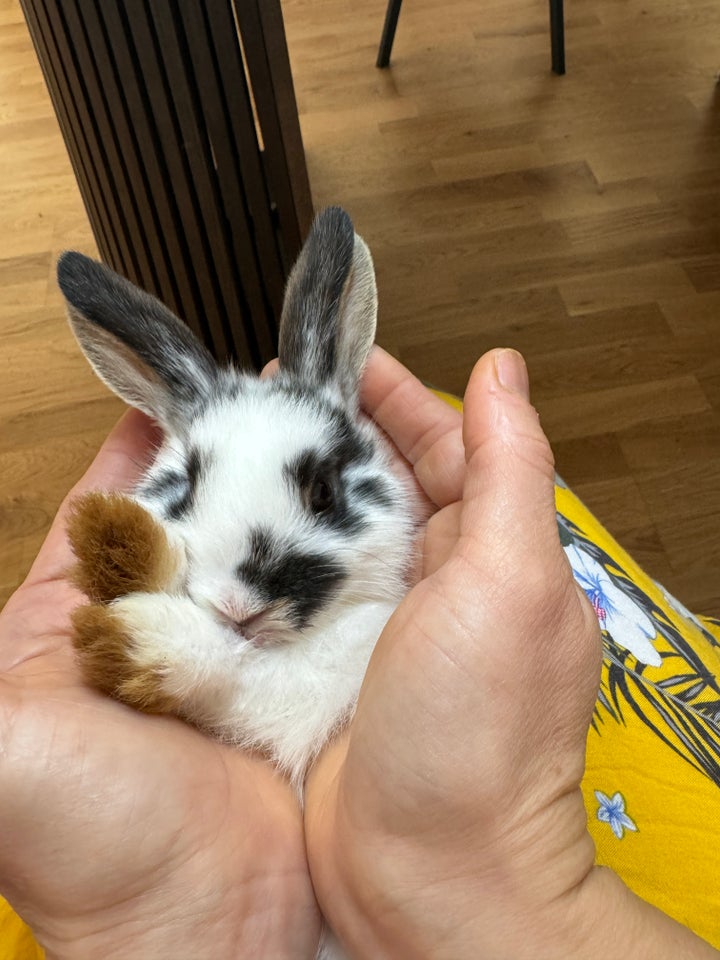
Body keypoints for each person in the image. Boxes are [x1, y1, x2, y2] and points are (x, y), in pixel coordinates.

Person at [0, 348, 716, 959]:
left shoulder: (395, 628)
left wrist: (489, 886)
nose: (246, 601)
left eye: (316, 495)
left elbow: (307, 706)